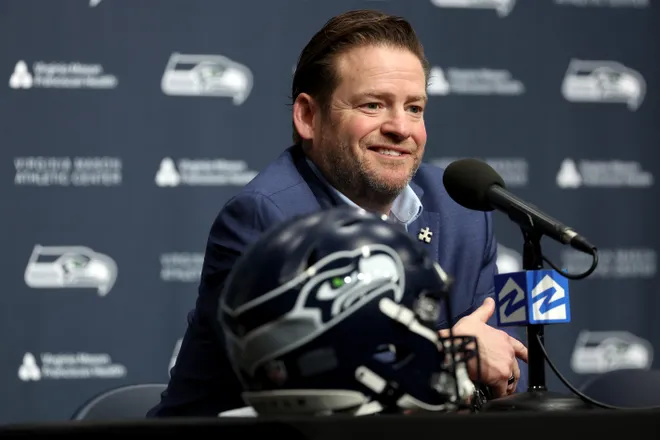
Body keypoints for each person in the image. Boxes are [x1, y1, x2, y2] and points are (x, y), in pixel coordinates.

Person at [147, 9, 528, 418]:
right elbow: (311, 377)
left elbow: (504, 365)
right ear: (308, 117)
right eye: (373, 105)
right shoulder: (267, 218)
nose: (401, 128)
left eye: (414, 108)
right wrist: (452, 355)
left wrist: (480, 363)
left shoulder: (462, 210)